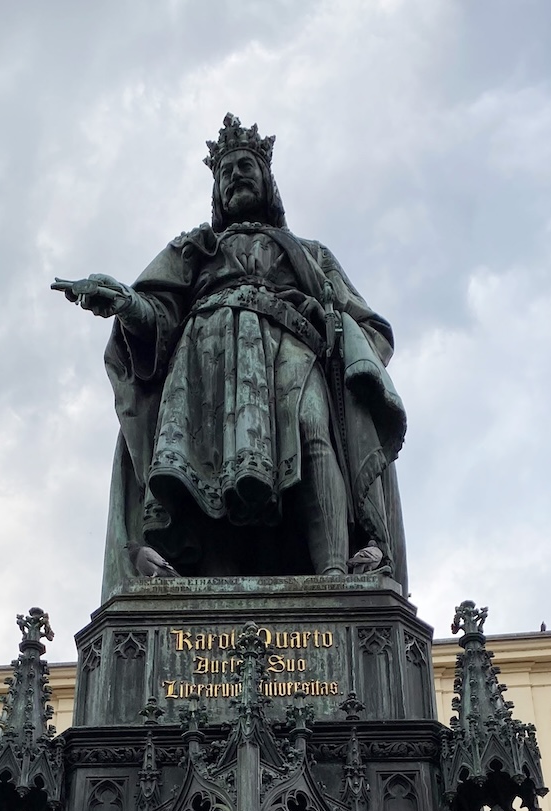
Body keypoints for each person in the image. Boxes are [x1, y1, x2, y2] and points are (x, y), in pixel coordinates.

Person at [56, 114, 407, 593]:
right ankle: (209, 587)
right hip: (206, 366)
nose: (236, 176)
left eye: (246, 167)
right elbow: (156, 313)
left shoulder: (311, 256)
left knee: (313, 431)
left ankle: (334, 579)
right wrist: (123, 302)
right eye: (226, 172)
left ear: (268, 181)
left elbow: (369, 330)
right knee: (207, 469)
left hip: (292, 352)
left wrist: (331, 326)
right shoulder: (195, 249)